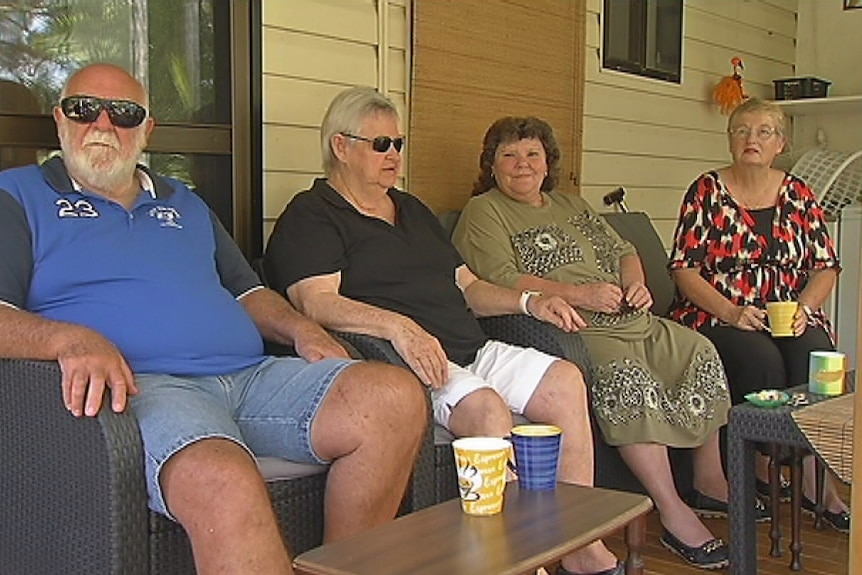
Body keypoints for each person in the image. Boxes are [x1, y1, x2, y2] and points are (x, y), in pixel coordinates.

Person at [0, 63, 428, 574]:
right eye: (84, 109)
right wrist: (67, 340)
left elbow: (249, 292)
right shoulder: (19, 196)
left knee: (395, 399)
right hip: (145, 389)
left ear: (148, 129)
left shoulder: (186, 203)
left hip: (251, 377)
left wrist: (303, 329)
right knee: (222, 477)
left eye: (125, 114)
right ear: (60, 119)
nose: (103, 125)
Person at [264, 87, 623, 575]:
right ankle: (514, 561)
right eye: (380, 145)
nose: (393, 155)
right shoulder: (312, 214)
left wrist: (529, 301)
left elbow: (469, 287)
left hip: (468, 346)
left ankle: (579, 547)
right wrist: (400, 328)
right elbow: (315, 301)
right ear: (340, 147)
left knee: (564, 380)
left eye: (398, 143)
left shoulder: (410, 209)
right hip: (407, 364)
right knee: (487, 409)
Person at [452, 116, 738, 570]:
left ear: (548, 164)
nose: (522, 165)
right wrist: (580, 295)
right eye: (509, 155)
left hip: (630, 317)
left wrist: (636, 282)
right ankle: (670, 508)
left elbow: (624, 250)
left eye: (532, 155)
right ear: (492, 165)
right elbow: (501, 279)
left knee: (698, 349)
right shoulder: (484, 212)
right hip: (577, 327)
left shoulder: (572, 204)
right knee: (629, 377)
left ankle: (708, 480)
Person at [668, 97, 850, 532]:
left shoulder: (799, 193)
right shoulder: (706, 191)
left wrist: (806, 309)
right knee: (760, 359)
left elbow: (826, 267)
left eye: (763, 132)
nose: (752, 139)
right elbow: (683, 271)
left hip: (790, 312)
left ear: (780, 143)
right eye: (742, 131)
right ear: (730, 140)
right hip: (719, 311)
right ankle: (761, 464)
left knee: (817, 355)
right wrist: (731, 311)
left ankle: (812, 480)